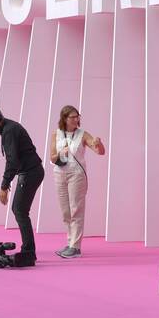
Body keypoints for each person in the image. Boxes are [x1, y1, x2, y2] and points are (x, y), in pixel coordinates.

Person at [0, 105, 44, 267]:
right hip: (30, 171)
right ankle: (28, 251)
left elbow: (12, 161)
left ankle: (29, 253)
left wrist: (4, 186)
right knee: (19, 210)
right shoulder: (9, 128)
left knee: (19, 210)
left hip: (30, 172)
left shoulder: (9, 131)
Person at [48, 105, 105, 258]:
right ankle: (69, 242)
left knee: (76, 210)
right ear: (64, 119)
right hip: (59, 173)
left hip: (77, 174)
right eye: (72, 117)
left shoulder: (82, 134)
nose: (76, 119)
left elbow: (100, 152)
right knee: (65, 211)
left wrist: (98, 143)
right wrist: (61, 152)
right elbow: (52, 157)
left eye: (77, 116)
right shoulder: (56, 134)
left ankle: (75, 246)